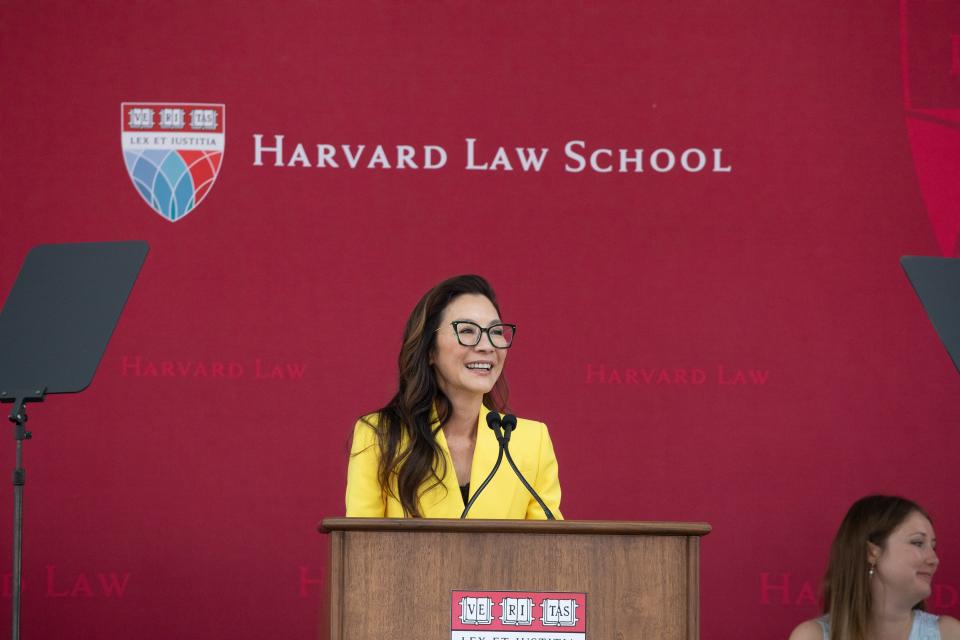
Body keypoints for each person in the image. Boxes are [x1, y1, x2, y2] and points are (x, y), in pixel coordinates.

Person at [345, 274, 562, 519]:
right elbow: (360, 548)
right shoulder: (379, 435)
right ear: (429, 351)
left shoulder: (531, 442)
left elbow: (548, 550)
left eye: (496, 331)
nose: (487, 346)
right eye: (468, 330)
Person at [789, 495, 960, 640]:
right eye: (917, 543)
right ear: (872, 552)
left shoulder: (950, 634)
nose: (934, 559)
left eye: (933, 546)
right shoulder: (812, 636)